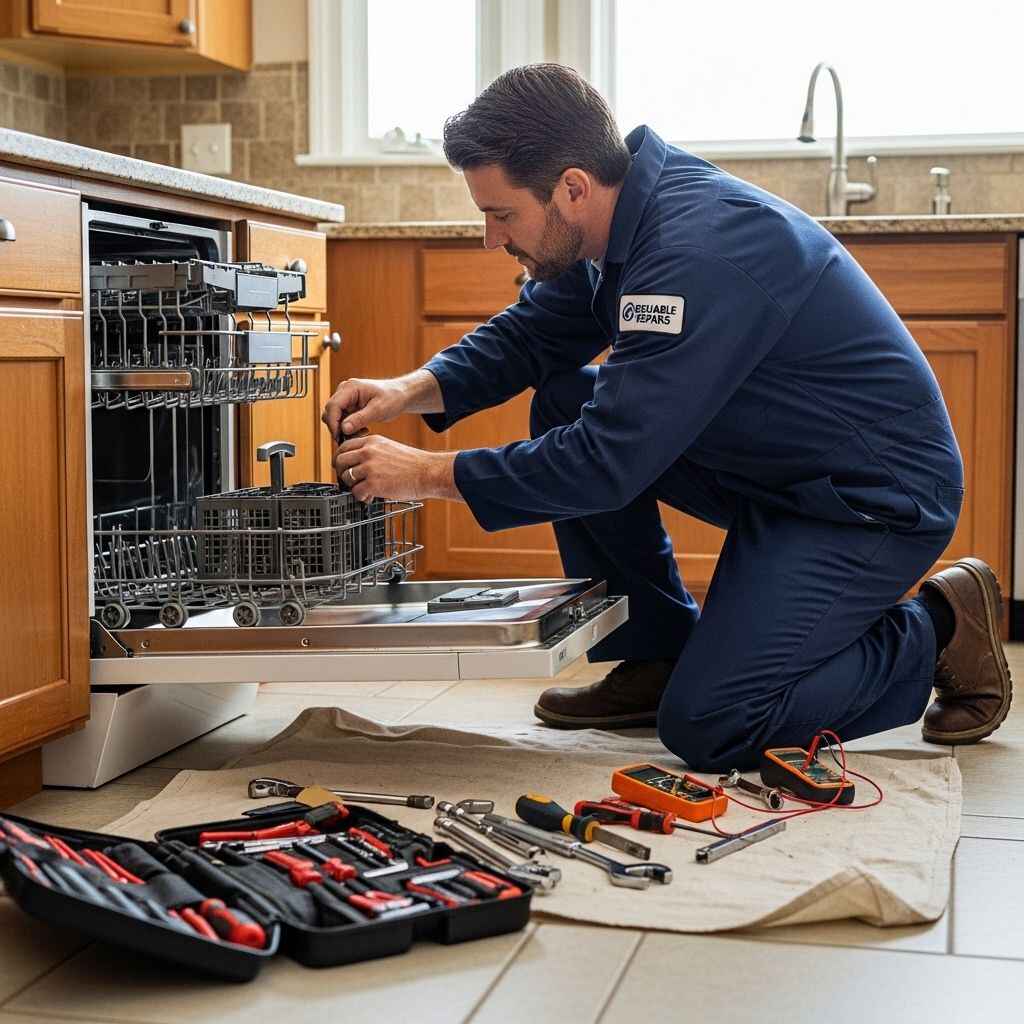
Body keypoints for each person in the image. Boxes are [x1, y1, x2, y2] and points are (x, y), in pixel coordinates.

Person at [323, 63, 1011, 769]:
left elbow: (606, 461)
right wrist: (408, 389)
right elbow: (532, 335)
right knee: (563, 397)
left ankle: (941, 629)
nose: (491, 239)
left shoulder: (693, 250)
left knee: (713, 723)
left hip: (871, 499)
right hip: (780, 468)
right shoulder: (617, 223)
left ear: (572, 188)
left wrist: (429, 474)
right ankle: (658, 652)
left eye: (501, 215)